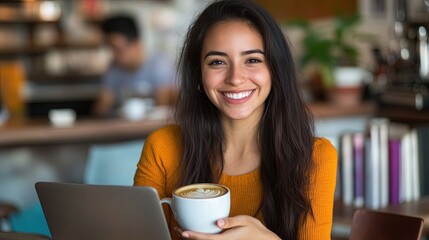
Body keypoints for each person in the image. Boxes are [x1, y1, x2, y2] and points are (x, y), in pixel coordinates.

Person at [134, 1, 337, 239]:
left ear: (275, 69)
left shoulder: (315, 156)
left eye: (252, 60)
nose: (235, 78)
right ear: (198, 73)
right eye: (217, 62)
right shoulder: (163, 147)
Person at [93, 14, 176, 116]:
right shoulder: (113, 70)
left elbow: (163, 105)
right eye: (109, 48)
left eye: (117, 48)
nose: (113, 54)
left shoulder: (159, 64)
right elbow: (101, 108)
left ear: (136, 44)